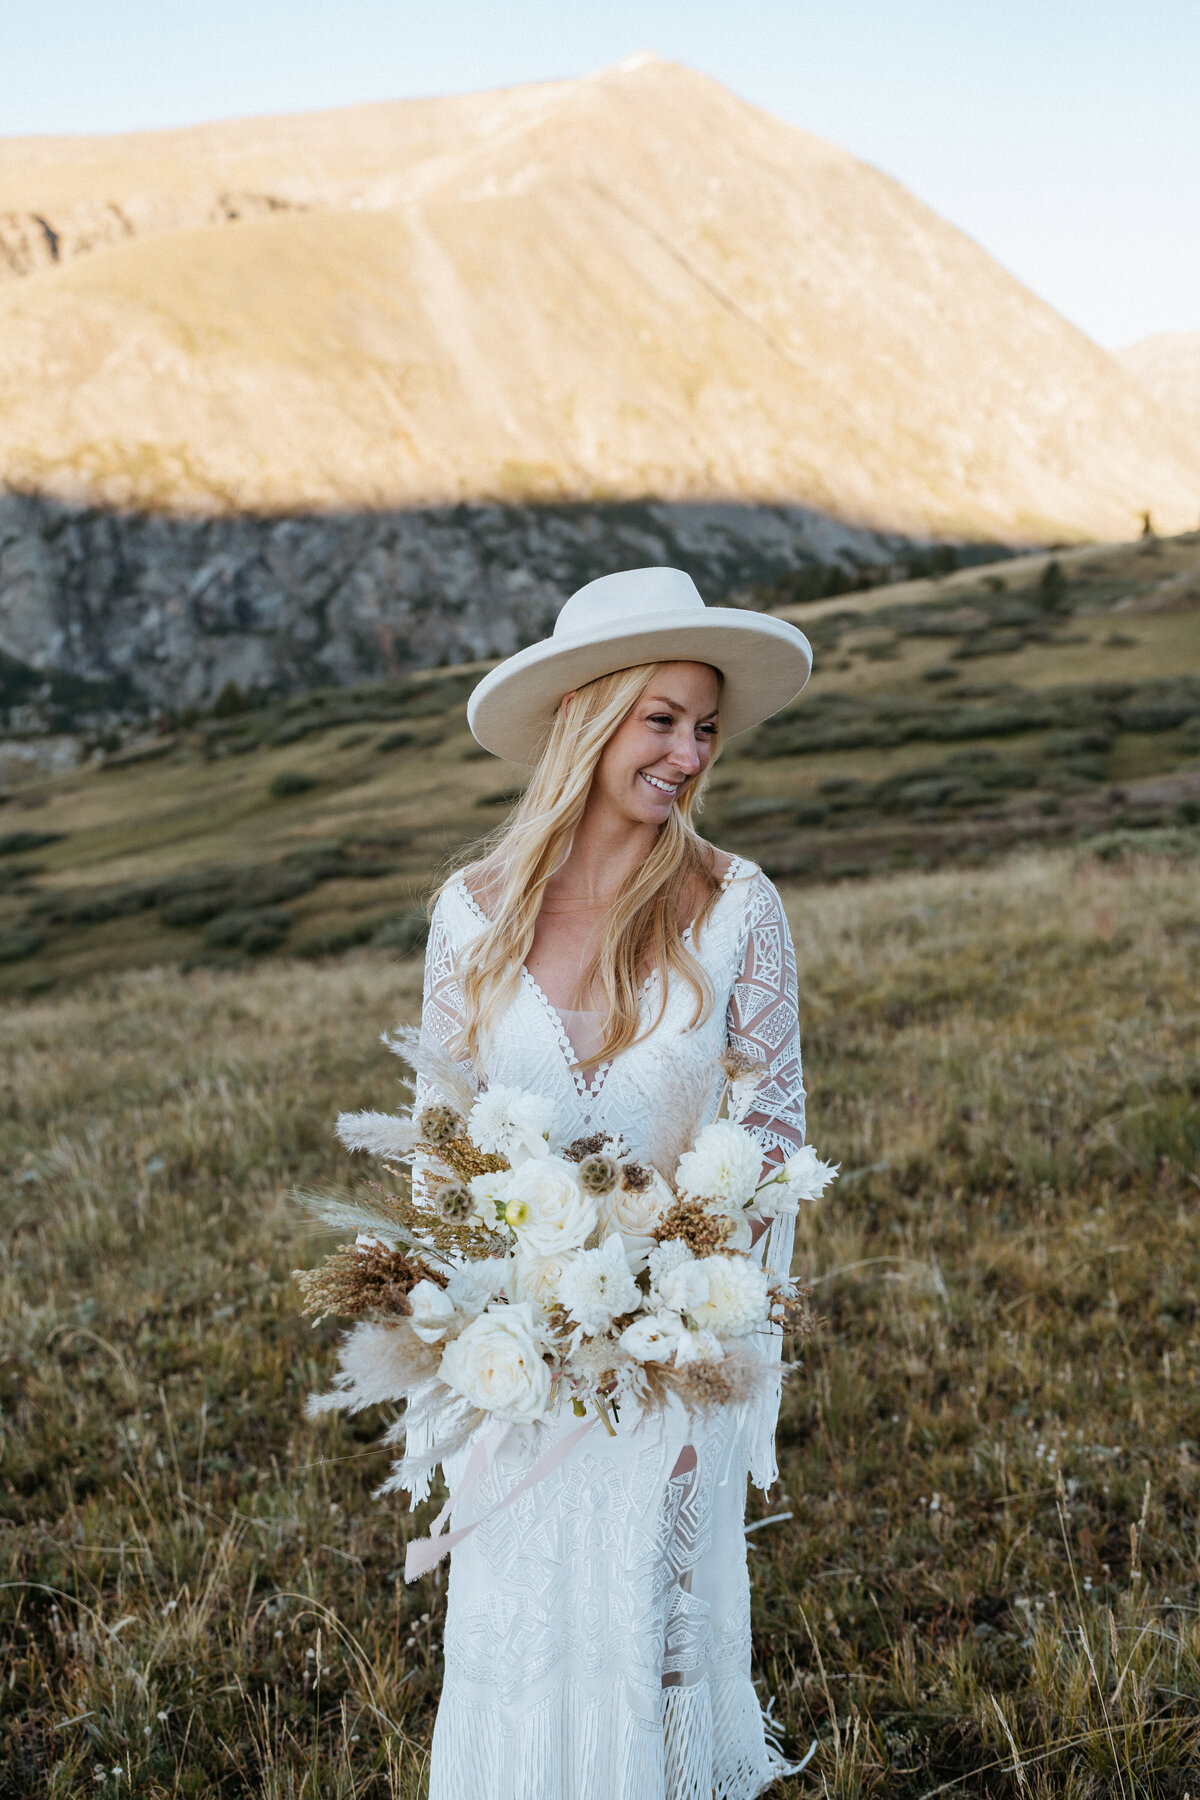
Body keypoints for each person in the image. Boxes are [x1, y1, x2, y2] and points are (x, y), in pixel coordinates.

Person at [415, 567, 814, 1800]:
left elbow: (775, 1139)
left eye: (705, 727)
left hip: (669, 1367)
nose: (690, 753)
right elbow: (442, 1148)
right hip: (520, 1370)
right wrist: (484, 1324)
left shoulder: (734, 905)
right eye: (662, 719)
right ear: (591, 716)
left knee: (657, 1652)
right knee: (523, 1657)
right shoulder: (469, 916)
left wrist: (704, 1335)